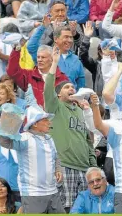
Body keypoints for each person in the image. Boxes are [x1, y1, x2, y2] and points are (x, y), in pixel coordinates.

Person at [44, 48, 97, 212]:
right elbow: (47, 89)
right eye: (67, 87)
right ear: (58, 94)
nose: (72, 89)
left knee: (86, 209)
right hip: (65, 166)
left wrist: (93, 166)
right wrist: (54, 63)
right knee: (65, 208)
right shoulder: (56, 107)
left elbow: (89, 141)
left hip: (85, 169)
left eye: (73, 87)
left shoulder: (81, 111)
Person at [0, 104, 65, 213]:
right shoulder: (25, 138)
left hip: (53, 191)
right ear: (35, 124)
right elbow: (4, 142)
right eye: (46, 120)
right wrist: (8, 121)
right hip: (33, 194)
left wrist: (58, 169)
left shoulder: (50, 138)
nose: (49, 122)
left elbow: (56, 157)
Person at [27, 16, 85, 91]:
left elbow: (81, 86)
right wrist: (43, 27)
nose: (70, 40)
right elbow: (31, 46)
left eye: (71, 37)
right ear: (56, 39)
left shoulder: (76, 60)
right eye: (66, 37)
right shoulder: (46, 55)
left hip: (69, 100)